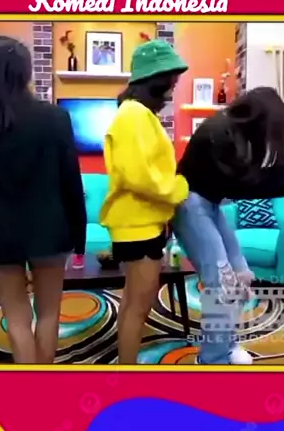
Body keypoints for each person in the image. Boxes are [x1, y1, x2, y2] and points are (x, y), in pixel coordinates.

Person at [0, 30, 87, 364]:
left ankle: (28, 388)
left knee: (16, 318)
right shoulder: (55, 118)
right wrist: (79, 235)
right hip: (50, 232)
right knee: (49, 314)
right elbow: (71, 182)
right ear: (24, 73)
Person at [174, 86, 284, 365]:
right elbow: (241, 185)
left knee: (241, 274)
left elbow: (247, 178)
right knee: (222, 283)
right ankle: (212, 361)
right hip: (190, 205)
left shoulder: (235, 133)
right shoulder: (218, 132)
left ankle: (226, 344)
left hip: (208, 204)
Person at [100, 39, 189, 364]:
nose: (174, 85)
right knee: (138, 307)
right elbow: (141, 177)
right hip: (137, 227)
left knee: (132, 304)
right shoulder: (134, 116)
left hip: (142, 223)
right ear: (155, 78)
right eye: (171, 78)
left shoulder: (137, 114)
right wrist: (180, 188)